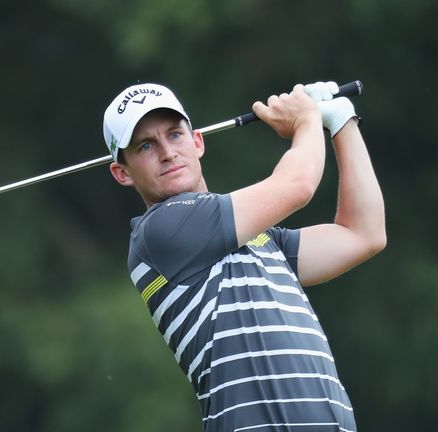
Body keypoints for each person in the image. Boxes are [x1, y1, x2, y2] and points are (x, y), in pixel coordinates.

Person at [102, 81, 385, 432]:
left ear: (197, 142)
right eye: (146, 145)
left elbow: (363, 234)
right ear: (122, 172)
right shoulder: (160, 231)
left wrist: (342, 122)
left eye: (175, 134)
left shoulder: (261, 242)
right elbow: (298, 186)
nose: (167, 152)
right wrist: (307, 120)